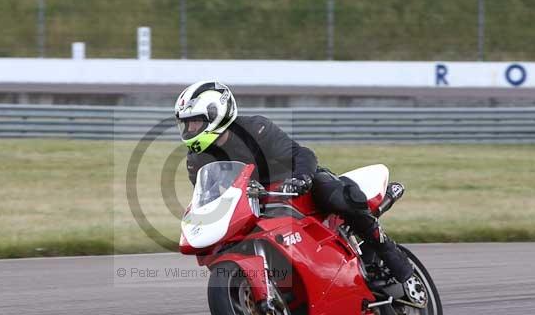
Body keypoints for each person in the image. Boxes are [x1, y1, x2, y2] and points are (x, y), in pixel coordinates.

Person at [175, 80, 413, 284]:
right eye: (185, 124)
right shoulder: (197, 160)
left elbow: (302, 154)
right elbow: (208, 198)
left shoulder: (255, 129)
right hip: (255, 205)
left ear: (218, 114)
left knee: (335, 194)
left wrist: (302, 178)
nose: (189, 129)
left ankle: (386, 248)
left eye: (195, 122)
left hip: (293, 186)